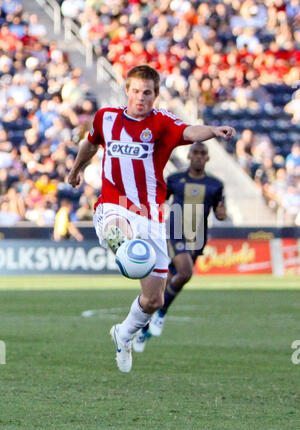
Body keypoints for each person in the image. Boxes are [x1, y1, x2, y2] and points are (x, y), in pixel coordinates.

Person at [67, 65, 235, 373]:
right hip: (114, 205)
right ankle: (124, 247)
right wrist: (77, 169)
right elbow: (90, 144)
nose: (140, 98)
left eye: (147, 92)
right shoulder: (106, 117)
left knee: (154, 299)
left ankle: (125, 333)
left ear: (155, 95)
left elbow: (188, 131)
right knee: (122, 235)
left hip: (152, 215)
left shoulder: (161, 123)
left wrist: (212, 130)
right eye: (135, 91)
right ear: (127, 91)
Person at [133, 141, 227, 353]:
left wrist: (221, 214)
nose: (199, 156)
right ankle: (162, 312)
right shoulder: (174, 180)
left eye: (203, 153)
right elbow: (158, 202)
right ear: (189, 156)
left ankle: (143, 327)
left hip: (198, 237)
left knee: (170, 282)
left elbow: (221, 212)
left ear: (208, 158)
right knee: (185, 272)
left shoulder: (215, 184)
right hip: (175, 232)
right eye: (195, 152)